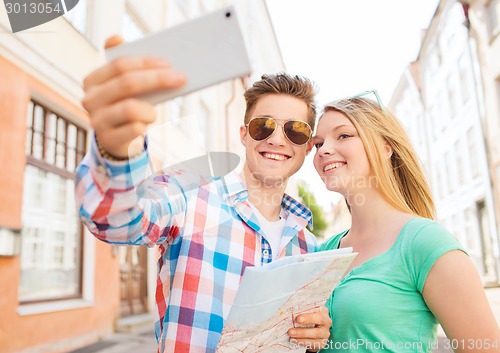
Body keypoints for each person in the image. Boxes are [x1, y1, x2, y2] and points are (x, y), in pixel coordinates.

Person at [75, 36, 331, 353]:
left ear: (307, 146)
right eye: (263, 126)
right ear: (243, 135)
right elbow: (117, 220)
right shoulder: (192, 192)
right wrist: (115, 152)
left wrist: (315, 336)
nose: (278, 140)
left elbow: (303, 334)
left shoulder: (308, 245)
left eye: (295, 130)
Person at [312, 92, 500, 353]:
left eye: (343, 135)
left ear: (385, 147)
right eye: (317, 144)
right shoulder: (321, 254)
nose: (324, 150)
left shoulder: (426, 243)